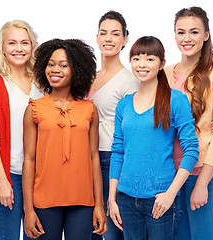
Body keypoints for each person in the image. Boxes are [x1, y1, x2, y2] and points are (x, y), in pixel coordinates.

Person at [109, 36, 199, 240]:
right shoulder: (124, 104)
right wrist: (112, 197)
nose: (142, 64)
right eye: (136, 58)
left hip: (160, 199)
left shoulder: (175, 100)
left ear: (161, 64)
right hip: (126, 198)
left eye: (150, 59)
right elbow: (118, 151)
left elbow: (191, 149)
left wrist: (171, 194)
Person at [22, 38, 107, 240]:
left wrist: (99, 205)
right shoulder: (34, 108)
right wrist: (28, 210)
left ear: (76, 69)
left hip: (82, 202)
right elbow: (29, 160)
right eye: (50, 64)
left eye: (63, 65)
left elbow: (94, 157)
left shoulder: (89, 109)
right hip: (44, 201)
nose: (54, 69)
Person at [164, 7, 213, 240]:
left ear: (206, 35)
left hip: (203, 175)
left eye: (194, 32)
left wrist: (203, 183)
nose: (187, 39)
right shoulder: (163, 74)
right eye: (180, 32)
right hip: (170, 178)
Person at [0, 20, 43, 240]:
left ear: (32, 46)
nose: (19, 48)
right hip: (10, 176)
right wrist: (2, 180)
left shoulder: (43, 84)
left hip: (40, 177)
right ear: (2, 48)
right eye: (12, 43)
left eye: (24, 42)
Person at [88, 10, 139, 240]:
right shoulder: (89, 77)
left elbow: (132, 132)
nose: (108, 39)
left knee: (110, 229)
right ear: (97, 37)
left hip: (111, 159)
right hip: (86, 159)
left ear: (124, 39)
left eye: (115, 34)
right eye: (103, 33)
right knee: (90, 229)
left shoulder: (130, 81)